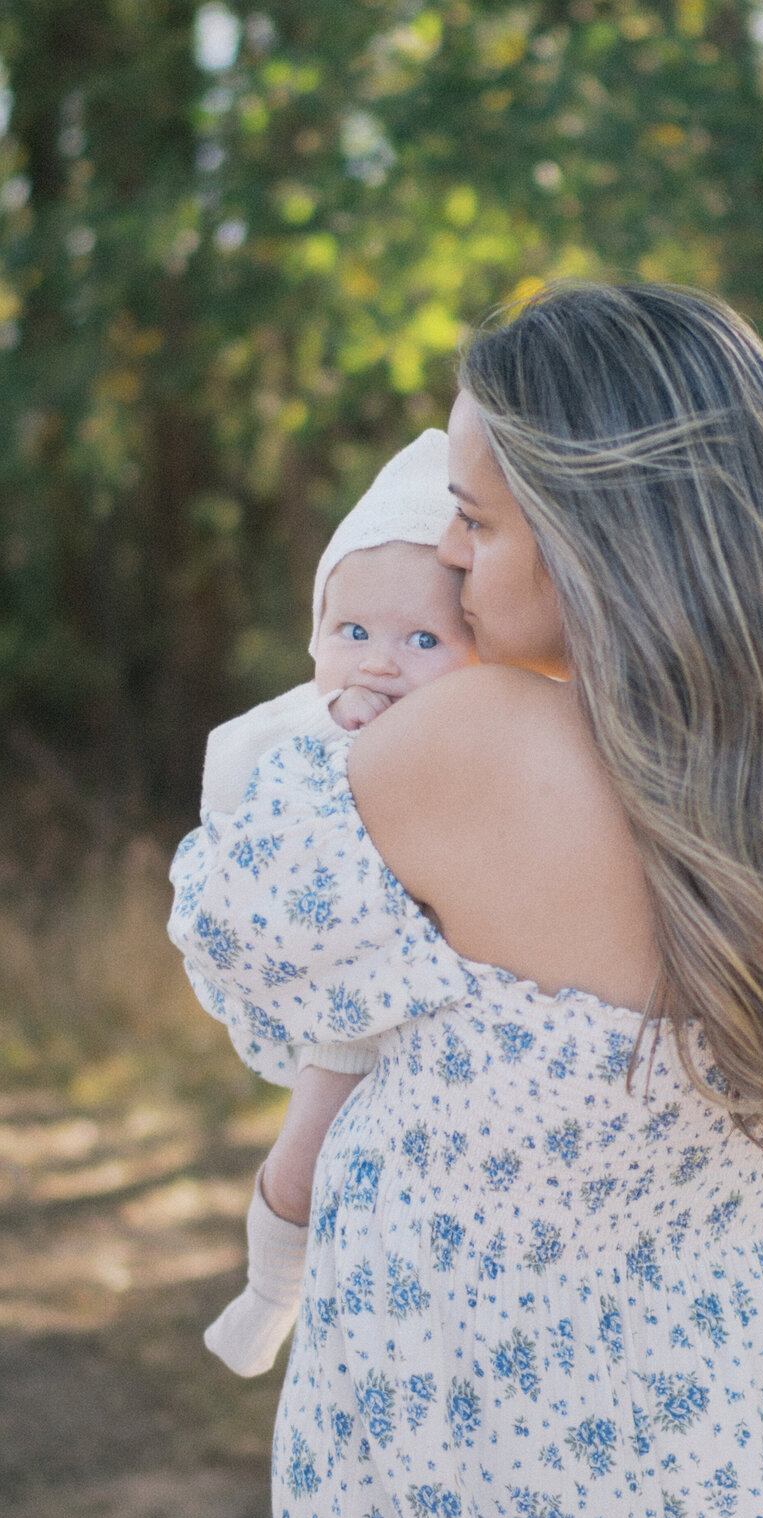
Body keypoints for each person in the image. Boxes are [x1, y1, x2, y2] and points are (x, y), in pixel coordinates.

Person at [169, 282, 763, 1518]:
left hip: (493, 1463)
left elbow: (247, 946)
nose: (446, 559)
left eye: (473, 522)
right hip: (730, 1425)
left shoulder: (476, 743)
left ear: (592, 539)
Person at [192, 429, 477, 1377]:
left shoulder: (484, 733)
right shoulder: (303, 735)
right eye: (352, 632)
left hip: (445, 1013)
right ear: (316, 634)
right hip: (350, 1003)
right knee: (304, 1153)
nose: (379, 663)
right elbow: (240, 838)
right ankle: (270, 1291)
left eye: (423, 639)